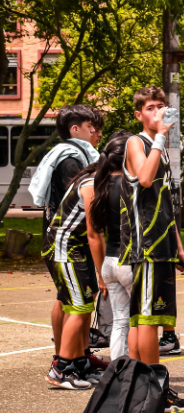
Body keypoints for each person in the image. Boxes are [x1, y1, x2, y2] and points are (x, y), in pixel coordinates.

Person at [122, 85, 184, 413]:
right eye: (151, 108)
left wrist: (178, 245)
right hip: (146, 244)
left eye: (162, 107)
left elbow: (165, 202)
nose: (158, 113)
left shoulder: (158, 147)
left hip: (162, 243)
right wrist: (161, 137)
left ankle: (138, 385)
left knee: (144, 317)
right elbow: (146, 179)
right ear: (139, 114)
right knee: (147, 319)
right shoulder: (138, 143)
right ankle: (154, 392)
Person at [42, 135, 126, 388]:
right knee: (80, 307)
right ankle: (61, 368)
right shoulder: (91, 184)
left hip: (73, 249)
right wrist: (102, 274)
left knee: (80, 304)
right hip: (64, 249)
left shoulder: (99, 179)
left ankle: (80, 361)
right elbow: (94, 233)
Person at [30, 105, 101, 375]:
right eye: (90, 127)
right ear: (75, 130)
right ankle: (64, 361)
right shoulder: (72, 160)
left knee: (70, 298)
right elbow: (79, 205)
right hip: (66, 240)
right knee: (75, 302)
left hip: (67, 239)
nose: (96, 132)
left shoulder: (74, 155)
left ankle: (77, 356)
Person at [87, 130, 134, 361]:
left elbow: (95, 233)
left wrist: (100, 274)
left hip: (109, 263)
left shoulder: (101, 187)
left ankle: (118, 374)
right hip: (130, 262)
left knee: (119, 323)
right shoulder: (132, 187)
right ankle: (139, 375)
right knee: (138, 323)